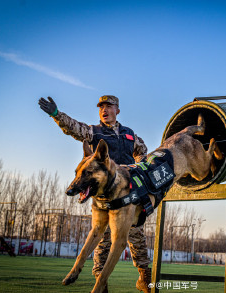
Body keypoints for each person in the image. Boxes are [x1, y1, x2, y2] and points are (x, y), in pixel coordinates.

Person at [38, 95, 151, 293]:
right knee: (102, 240)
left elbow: (142, 152)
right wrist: (57, 115)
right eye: (101, 107)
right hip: (104, 198)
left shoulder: (130, 134)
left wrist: (136, 167)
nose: (104, 110)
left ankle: (145, 279)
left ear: (117, 110)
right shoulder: (94, 132)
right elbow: (74, 128)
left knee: (136, 236)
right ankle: (101, 283)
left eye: (109, 107)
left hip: (128, 196)